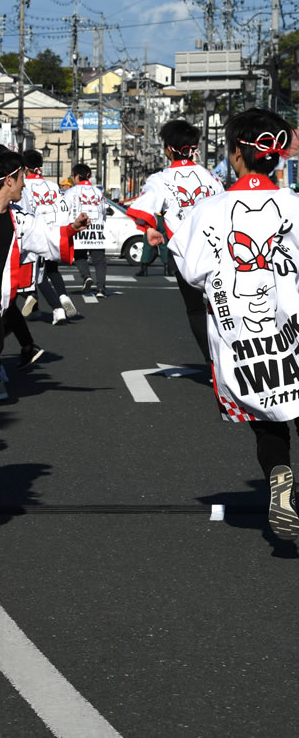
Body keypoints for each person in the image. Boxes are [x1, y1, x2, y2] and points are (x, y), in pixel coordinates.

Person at [167, 108, 299, 542]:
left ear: (236, 154)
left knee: (268, 418)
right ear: (277, 158)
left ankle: (279, 474)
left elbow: (191, 271)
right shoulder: (294, 205)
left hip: (243, 337)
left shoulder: (210, 210)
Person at [0, 150, 89, 402]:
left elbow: (46, 237)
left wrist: (72, 229)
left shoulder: (17, 215)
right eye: (21, 178)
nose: (24, 184)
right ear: (9, 180)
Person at [128, 118, 223, 362]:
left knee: (195, 309)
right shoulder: (210, 177)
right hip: (218, 250)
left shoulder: (161, 179)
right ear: (194, 148)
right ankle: (231, 360)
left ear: (168, 149)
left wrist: (149, 229)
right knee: (223, 306)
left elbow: (145, 209)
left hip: (187, 255)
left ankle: (213, 362)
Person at [19, 149, 77, 325]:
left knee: (36, 276)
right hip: (54, 232)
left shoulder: (22, 186)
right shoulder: (52, 186)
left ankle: (35, 297)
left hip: (34, 234)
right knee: (52, 270)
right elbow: (63, 209)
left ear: (24, 168)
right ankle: (63, 296)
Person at [65, 164, 107, 298]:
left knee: (80, 255)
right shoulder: (98, 191)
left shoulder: (72, 191)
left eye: (72, 176)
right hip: (96, 229)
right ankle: (100, 288)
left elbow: (65, 210)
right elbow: (103, 211)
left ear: (77, 176)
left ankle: (86, 276)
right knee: (99, 260)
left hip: (79, 228)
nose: (72, 179)